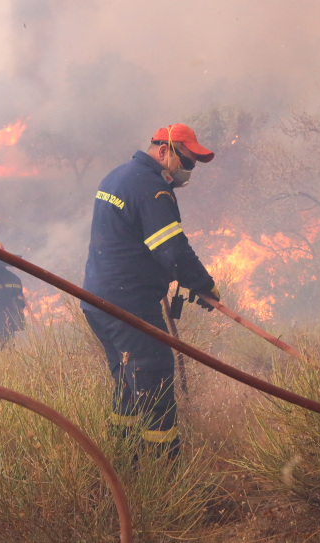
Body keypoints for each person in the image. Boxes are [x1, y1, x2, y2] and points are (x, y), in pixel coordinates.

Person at [81, 123, 220, 459]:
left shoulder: (117, 176)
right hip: (129, 306)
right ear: (163, 151)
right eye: (186, 161)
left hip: (98, 301)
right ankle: (163, 473)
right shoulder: (152, 188)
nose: (189, 170)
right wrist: (204, 285)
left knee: (129, 381)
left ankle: (123, 462)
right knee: (155, 379)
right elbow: (172, 249)